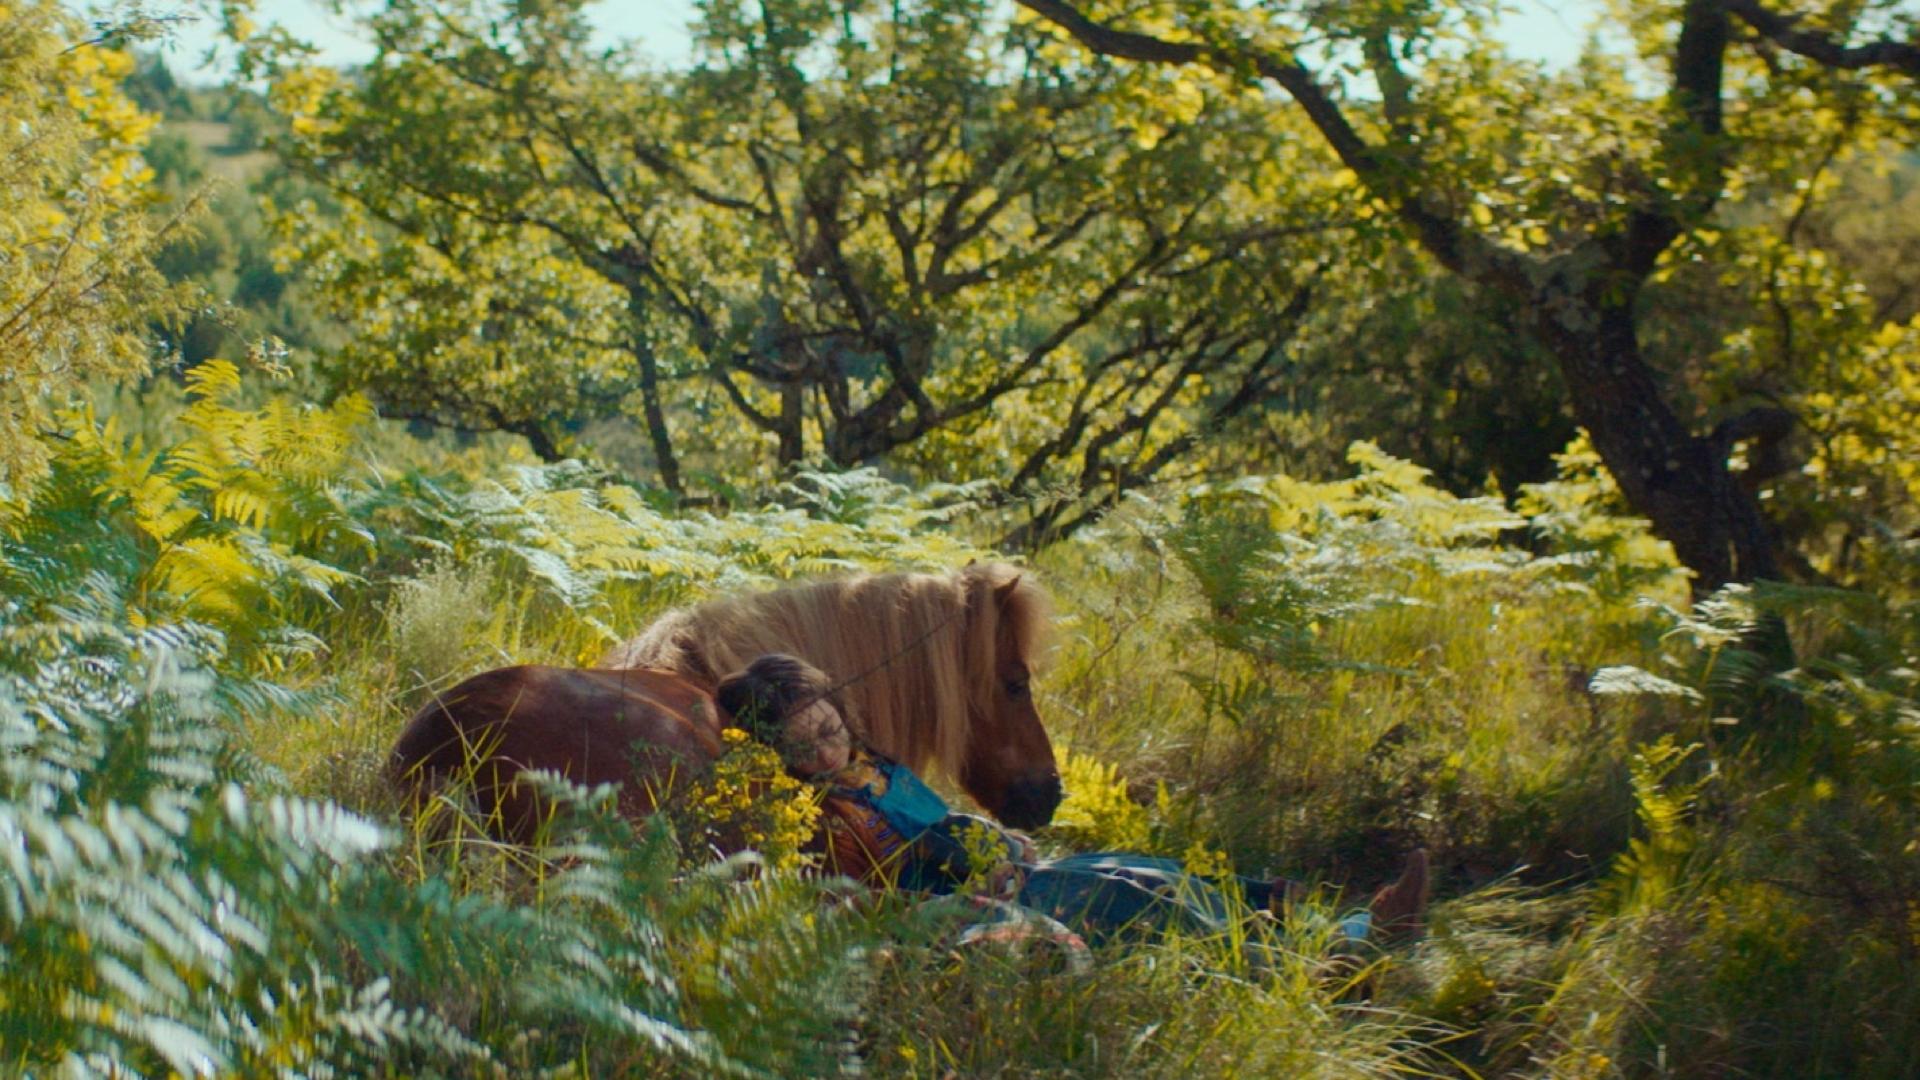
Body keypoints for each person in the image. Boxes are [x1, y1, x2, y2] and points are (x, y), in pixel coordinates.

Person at [713, 653, 1429, 945]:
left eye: (830, 730)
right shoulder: (826, 819)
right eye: (803, 748)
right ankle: (1332, 955)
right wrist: (978, 880)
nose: (827, 753)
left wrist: (1001, 842)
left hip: (1007, 872)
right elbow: (885, 894)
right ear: (778, 757)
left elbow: (943, 822)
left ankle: (1340, 925)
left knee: (1151, 869)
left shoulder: (875, 765)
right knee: (1138, 898)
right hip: (978, 907)